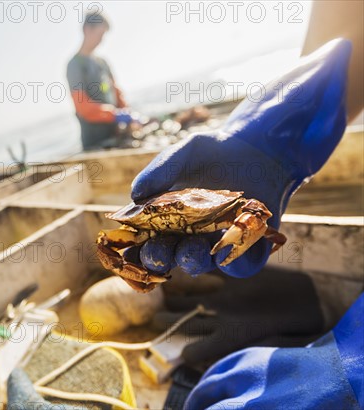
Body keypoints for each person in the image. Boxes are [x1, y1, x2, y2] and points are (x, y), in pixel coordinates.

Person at [131, 1, 363, 407]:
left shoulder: (238, 207)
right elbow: (338, 46)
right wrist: (270, 137)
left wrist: (350, 370)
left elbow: (259, 220)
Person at [66, 12, 136, 151]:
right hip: (95, 142)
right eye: (100, 34)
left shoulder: (103, 63)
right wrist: (114, 114)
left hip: (116, 135)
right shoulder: (75, 65)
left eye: (103, 35)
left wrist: (128, 113)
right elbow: (82, 106)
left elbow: (116, 92)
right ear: (87, 29)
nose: (101, 40)